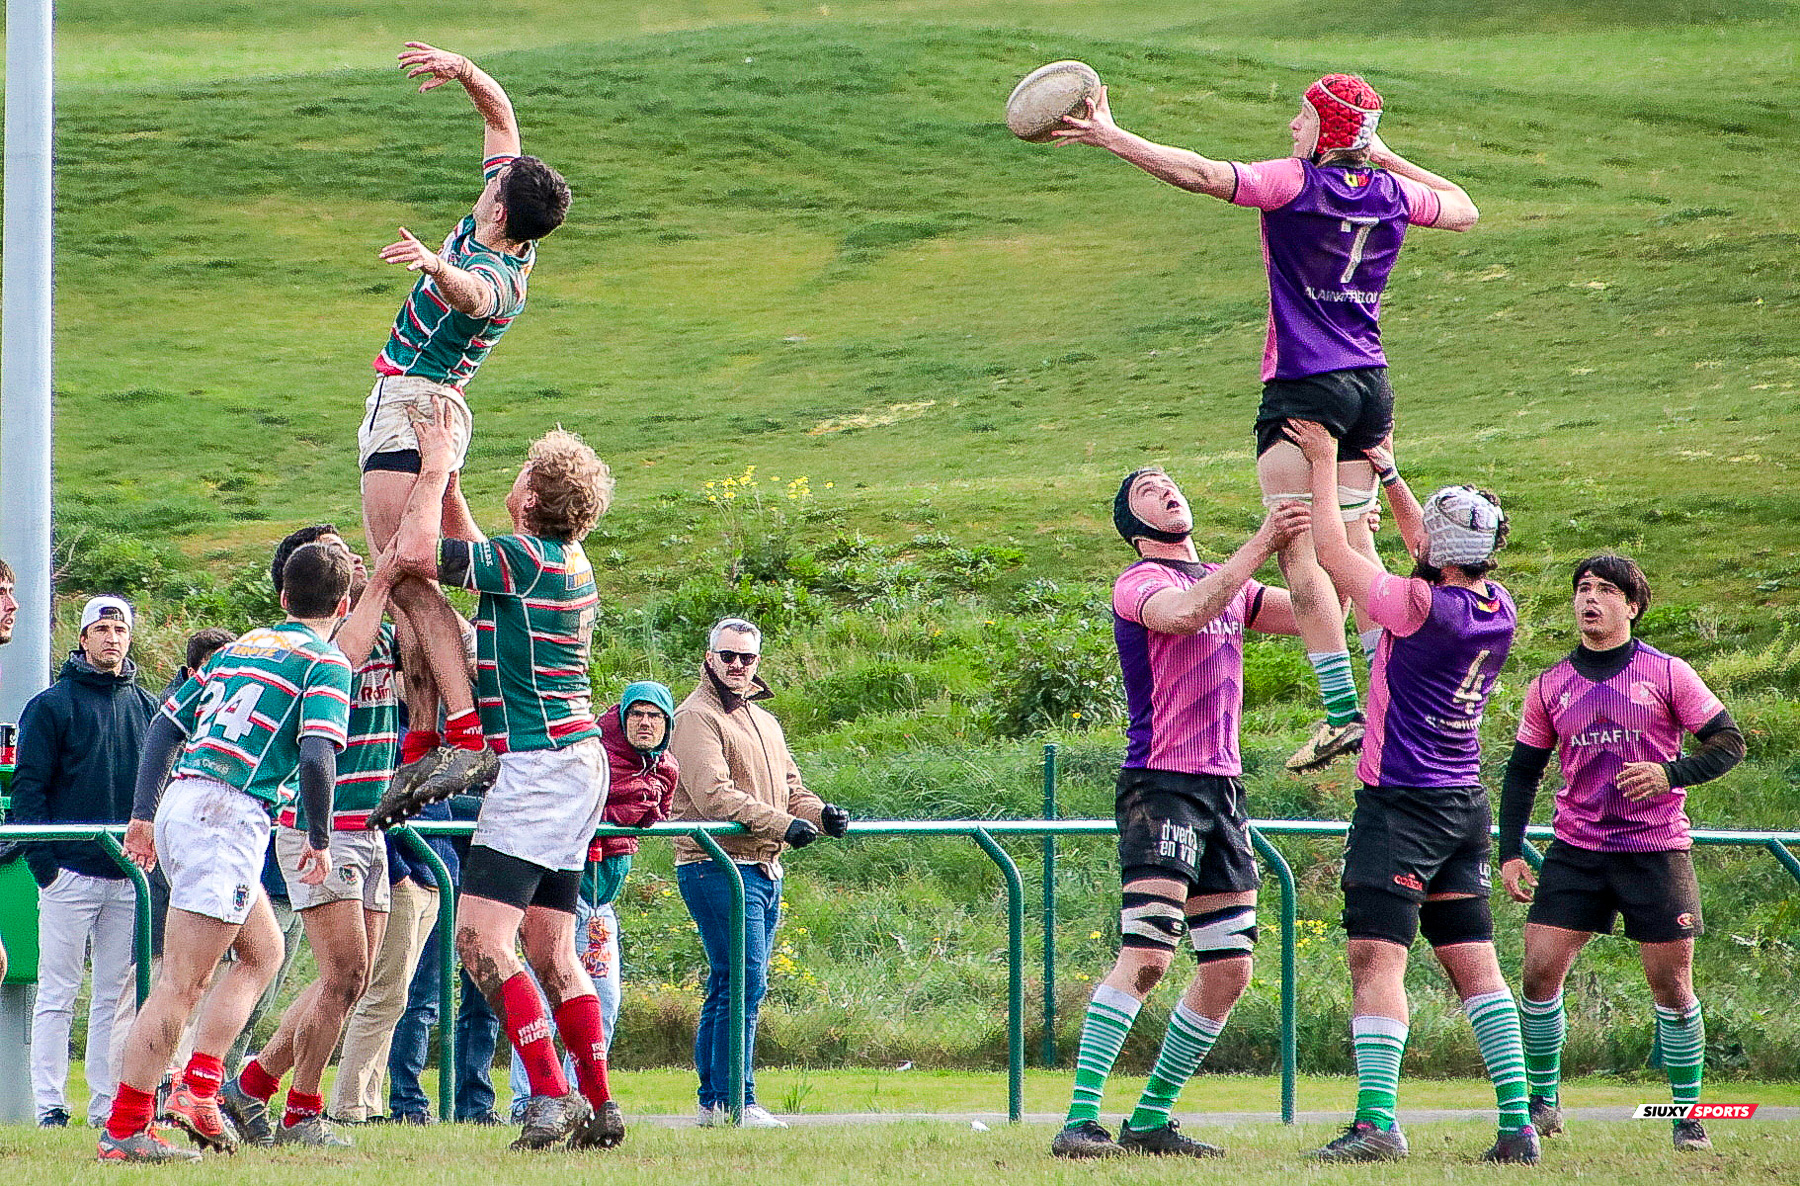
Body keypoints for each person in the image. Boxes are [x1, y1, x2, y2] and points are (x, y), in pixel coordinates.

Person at [1052, 74, 1478, 772]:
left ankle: (1343, 713)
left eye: (1302, 117)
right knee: (1360, 554)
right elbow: (1464, 210)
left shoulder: (1293, 184)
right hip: (1371, 387)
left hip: (1304, 387)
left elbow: (1197, 173)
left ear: (1326, 130)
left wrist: (1109, 135)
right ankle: (1386, 700)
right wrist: (1384, 154)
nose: (1291, 128)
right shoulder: (1393, 193)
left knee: (1302, 550)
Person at [373, 397, 623, 1152]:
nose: (511, 479)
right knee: (551, 948)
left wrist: (439, 465)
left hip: (538, 766)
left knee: (481, 941)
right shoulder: (557, 557)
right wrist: (452, 495)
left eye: (520, 472)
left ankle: (549, 1096)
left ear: (535, 497)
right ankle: (600, 1103)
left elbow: (419, 555)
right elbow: (476, 549)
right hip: (578, 763)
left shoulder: (526, 558)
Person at [1285, 420, 1533, 1164]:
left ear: (1438, 552)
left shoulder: (1420, 608)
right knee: (1477, 966)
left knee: (1376, 959)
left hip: (1402, 806)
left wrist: (1327, 464)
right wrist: (1391, 479)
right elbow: (1432, 547)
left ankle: (1375, 1124)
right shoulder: (1498, 605)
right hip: (1464, 806)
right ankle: (1518, 1127)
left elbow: (1333, 555)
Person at [1050, 469, 1304, 1159]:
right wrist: (1261, 542)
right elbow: (1184, 614)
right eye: (1147, 489)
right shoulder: (1139, 583)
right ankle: (1079, 1120)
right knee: (1151, 954)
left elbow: (1317, 613)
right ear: (1135, 529)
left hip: (1222, 791)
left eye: (1171, 482)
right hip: (1160, 785)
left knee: (1230, 969)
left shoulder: (1226, 578)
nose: (1167, 489)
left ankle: (1152, 1119)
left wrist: (1331, 544)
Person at [99, 542, 364, 1162]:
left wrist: (143, 815)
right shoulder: (325, 660)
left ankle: (198, 1088)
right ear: (344, 604)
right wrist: (322, 839)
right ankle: (127, 1126)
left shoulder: (241, 645)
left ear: (281, 598)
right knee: (182, 984)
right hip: (228, 813)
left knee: (264, 951)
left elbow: (166, 725)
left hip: (186, 803)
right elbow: (317, 755)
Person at [357, 40, 572, 808]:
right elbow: (502, 118)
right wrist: (465, 72)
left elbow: (470, 298)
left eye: (494, 187)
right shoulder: (504, 215)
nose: (487, 182)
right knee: (450, 569)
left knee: (405, 574)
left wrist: (432, 265)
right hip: (429, 410)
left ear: (502, 209)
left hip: (416, 409)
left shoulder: (501, 276)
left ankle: (465, 735)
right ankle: (426, 737)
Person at [1498, 554, 1744, 1153]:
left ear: (1631, 605)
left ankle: (1688, 1114)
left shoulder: (1667, 673)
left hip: (1654, 849)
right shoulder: (1550, 684)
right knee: (1537, 971)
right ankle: (1544, 1099)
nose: (1591, 598)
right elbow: (1523, 772)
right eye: (1583, 588)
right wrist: (1509, 851)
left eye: (1606, 590)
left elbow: (1728, 743)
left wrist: (1670, 772)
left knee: (1671, 983)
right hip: (1576, 849)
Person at [220, 528, 397, 1147]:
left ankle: (252, 1088)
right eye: (336, 553)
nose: (350, 554)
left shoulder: (387, 629)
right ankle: (301, 1112)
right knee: (343, 974)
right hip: (320, 824)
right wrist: (380, 576)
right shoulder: (317, 648)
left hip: (371, 823)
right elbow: (346, 655)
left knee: (350, 979)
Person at [671, 618, 850, 1130]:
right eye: (727, 656)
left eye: (746, 658)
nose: (736, 666)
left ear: (757, 663)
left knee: (731, 982)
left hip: (763, 865)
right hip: (717, 864)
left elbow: (792, 787)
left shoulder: (765, 722)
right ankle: (736, 1099)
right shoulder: (696, 717)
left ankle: (714, 1101)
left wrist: (820, 815)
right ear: (710, 658)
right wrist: (783, 823)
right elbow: (713, 795)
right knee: (744, 982)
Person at [10, 595, 158, 1129]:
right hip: (67, 874)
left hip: (127, 876)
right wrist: (45, 866)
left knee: (112, 997)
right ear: (82, 637)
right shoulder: (51, 706)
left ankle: (103, 1105)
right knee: (57, 990)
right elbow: (29, 791)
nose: (112, 637)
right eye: (101, 628)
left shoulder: (145, 706)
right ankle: (50, 1104)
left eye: (120, 627)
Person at [507, 680, 678, 1118]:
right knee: (545, 997)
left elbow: (658, 809)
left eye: (654, 716)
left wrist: (640, 812)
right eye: (636, 714)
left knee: (602, 1002)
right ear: (622, 718)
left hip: (603, 903)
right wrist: (624, 812)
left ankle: (578, 1098)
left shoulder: (664, 767)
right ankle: (531, 1100)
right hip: (564, 893)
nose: (644, 723)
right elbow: (579, 807)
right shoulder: (596, 752)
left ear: (667, 724)